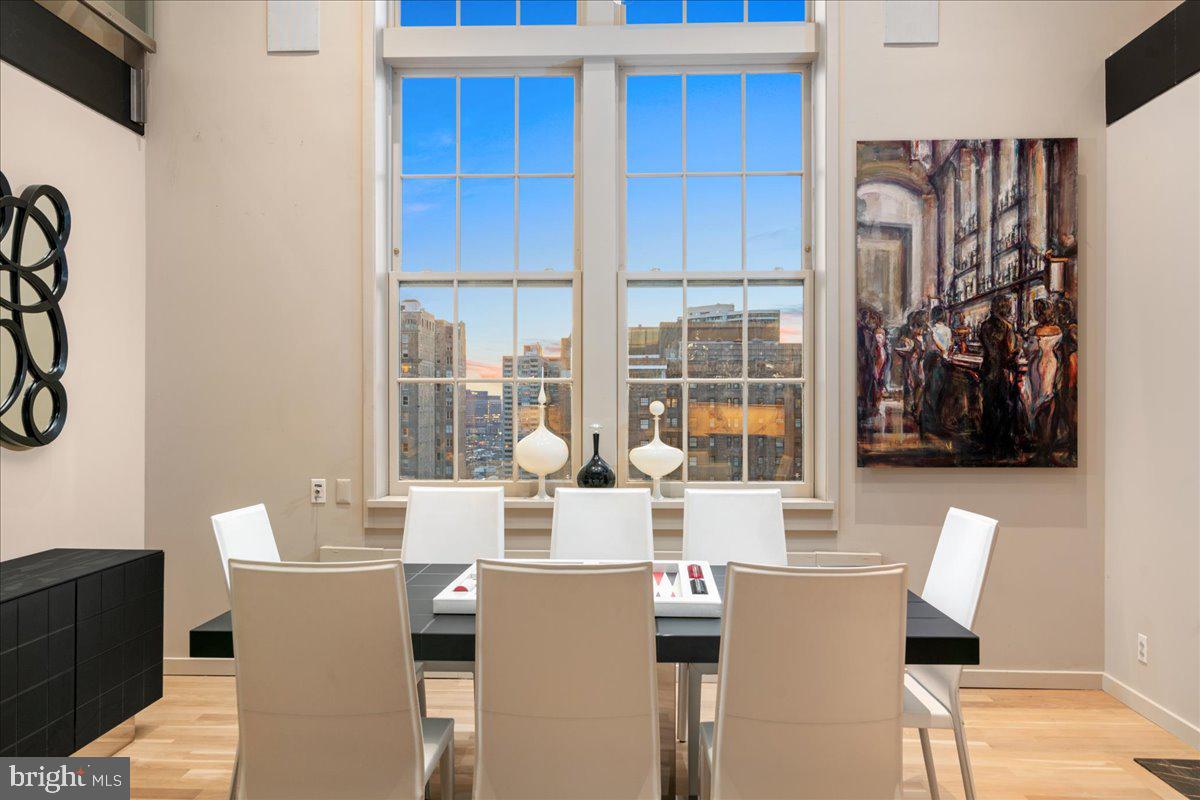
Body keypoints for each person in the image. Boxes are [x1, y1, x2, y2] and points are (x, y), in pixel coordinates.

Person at [978, 295, 1022, 460]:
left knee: (989, 407)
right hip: (1002, 372)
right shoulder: (1007, 327)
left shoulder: (984, 326)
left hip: (988, 370)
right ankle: (1005, 447)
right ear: (1005, 308)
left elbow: (988, 349)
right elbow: (1009, 353)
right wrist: (1018, 349)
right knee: (1005, 408)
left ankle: (989, 445)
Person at [1023, 299, 1062, 464]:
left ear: (1038, 313)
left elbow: (1027, 350)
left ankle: (1041, 447)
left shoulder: (1034, 331)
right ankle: (1047, 449)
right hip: (1052, 365)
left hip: (1037, 367)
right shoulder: (1058, 330)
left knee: (1036, 404)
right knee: (1049, 402)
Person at [919, 306, 952, 436]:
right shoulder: (946, 330)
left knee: (929, 390)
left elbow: (925, 348)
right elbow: (946, 348)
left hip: (929, 361)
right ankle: (934, 423)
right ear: (944, 316)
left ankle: (928, 421)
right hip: (939, 362)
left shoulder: (929, 331)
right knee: (937, 391)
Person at [1053, 297, 1078, 460]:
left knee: (1070, 408)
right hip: (1064, 368)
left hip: (1071, 368)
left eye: (1060, 311)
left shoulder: (1072, 328)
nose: (1058, 314)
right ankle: (1066, 444)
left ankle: (1073, 448)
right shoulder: (1063, 328)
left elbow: (1076, 349)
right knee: (1063, 407)